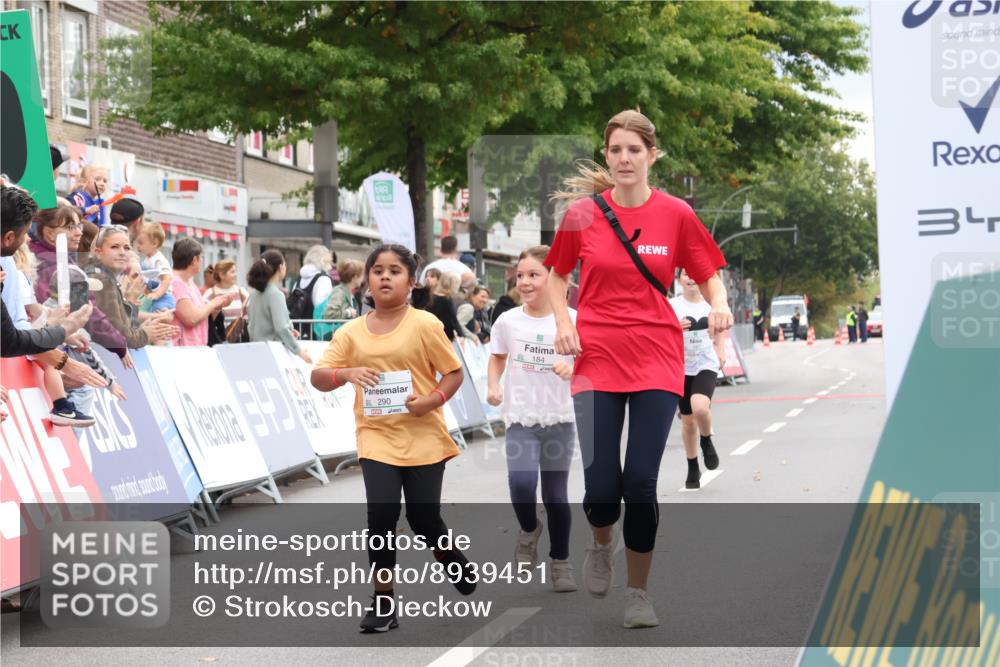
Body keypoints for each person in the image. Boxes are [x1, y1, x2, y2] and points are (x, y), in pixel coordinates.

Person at [545, 109, 731, 628]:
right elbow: (557, 277)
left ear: (652, 155)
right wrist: (564, 322)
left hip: (656, 354)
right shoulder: (583, 215)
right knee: (602, 488)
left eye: (634, 150)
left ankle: (638, 592)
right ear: (606, 155)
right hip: (597, 355)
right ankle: (601, 542)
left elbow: (708, 273)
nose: (624, 158)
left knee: (640, 485)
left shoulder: (676, 213)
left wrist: (718, 304)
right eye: (615, 150)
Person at [311, 243, 475, 634]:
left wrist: (431, 401)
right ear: (367, 280)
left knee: (422, 518)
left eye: (394, 271)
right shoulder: (351, 331)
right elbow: (319, 376)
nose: (385, 276)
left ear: (411, 281)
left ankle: (452, 558)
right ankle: (384, 602)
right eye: (377, 270)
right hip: (377, 435)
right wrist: (346, 373)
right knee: (381, 517)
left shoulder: (425, 324)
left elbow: (453, 373)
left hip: (422, 434)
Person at [487, 245, 578, 593]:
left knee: (556, 496)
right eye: (520, 275)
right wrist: (494, 385)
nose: (524, 281)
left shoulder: (571, 319)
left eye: (533, 275)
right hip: (521, 417)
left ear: (556, 279)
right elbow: (497, 357)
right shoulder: (508, 321)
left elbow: (589, 362)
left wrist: (571, 368)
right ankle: (528, 530)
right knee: (522, 484)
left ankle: (561, 562)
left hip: (559, 417)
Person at [1, 184, 104, 389]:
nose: (28, 239)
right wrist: (63, 330)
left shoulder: (7, 262)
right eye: (69, 227)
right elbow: (10, 340)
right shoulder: (36, 265)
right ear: (9, 237)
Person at [669, 268, 726, 490]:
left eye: (694, 274)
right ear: (679, 280)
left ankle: (706, 440)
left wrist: (721, 350)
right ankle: (692, 465)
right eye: (685, 274)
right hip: (681, 366)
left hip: (706, 363)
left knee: (699, 407)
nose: (691, 277)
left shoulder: (711, 303)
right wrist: (675, 328)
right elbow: (661, 331)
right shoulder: (672, 306)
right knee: (687, 420)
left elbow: (720, 327)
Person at [86, 226, 178, 352]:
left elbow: (125, 331)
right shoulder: (101, 280)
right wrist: (145, 333)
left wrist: (142, 328)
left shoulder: (107, 281)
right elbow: (122, 336)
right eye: (114, 247)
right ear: (98, 252)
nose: (122, 252)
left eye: (127, 247)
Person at [247, 249, 312, 363]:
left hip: (256, 350)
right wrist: (300, 352)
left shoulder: (254, 294)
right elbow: (281, 327)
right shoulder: (276, 294)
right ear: (281, 267)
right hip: (272, 353)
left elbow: (252, 325)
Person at [169, 238, 235, 346]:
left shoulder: (189, 282)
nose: (202, 261)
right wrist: (213, 303)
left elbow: (201, 316)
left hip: (196, 347)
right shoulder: (175, 283)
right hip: (183, 351)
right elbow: (191, 319)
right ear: (194, 260)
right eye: (201, 258)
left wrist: (216, 308)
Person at [291, 244, 336, 338]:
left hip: (298, 330)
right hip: (317, 332)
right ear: (325, 259)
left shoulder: (299, 279)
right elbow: (323, 308)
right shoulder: (324, 279)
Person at [135, 223, 176, 313]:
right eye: (137, 242)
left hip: (164, 297)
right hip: (152, 296)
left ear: (154, 243)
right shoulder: (147, 260)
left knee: (155, 314)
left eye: (141, 243)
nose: (138, 246)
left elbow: (167, 278)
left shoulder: (159, 260)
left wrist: (157, 294)